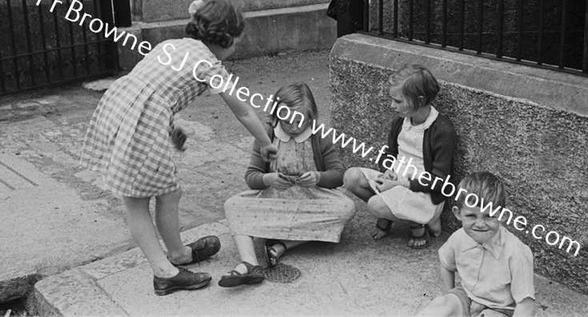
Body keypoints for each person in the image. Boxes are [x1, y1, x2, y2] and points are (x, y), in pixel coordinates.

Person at [80, 0, 277, 296]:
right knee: (135, 200)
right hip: (143, 121)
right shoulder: (210, 65)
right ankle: (165, 273)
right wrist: (265, 142)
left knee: (169, 191)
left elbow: (151, 88)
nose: (235, 50)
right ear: (223, 40)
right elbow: (244, 112)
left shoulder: (173, 45)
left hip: (123, 107)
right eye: (236, 43)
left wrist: (169, 129)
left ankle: (179, 254)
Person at [218, 82, 356, 287]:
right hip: (274, 198)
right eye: (287, 121)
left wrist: (318, 177)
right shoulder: (266, 136)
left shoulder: (320, 135)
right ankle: (248, 262)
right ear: (276, 115)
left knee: (346, 208)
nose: (293, 127)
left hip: (312, 199)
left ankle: (281, 244)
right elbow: (251, 177)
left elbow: (338, 174)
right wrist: (268, 179)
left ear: (311, 117)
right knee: (232, 205)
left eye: (300, 121)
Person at [343, 64, 456, 247]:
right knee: (351, 177)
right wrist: (387, 170)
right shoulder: (400, 122)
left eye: (398, 101)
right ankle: (391, 213)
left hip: (422, 193)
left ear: (419, 100)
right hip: (396, 182)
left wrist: (402, 183)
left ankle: (419, 222)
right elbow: (389, 153)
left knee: (374, 205)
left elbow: (440, 182)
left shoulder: (441, 130)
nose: (392, 106)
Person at [417, 172, 538, 317]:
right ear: (458, 213)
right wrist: (449, 296)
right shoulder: (458, 238)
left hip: (500, 308)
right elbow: (446, 264)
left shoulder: (517, 252)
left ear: (503, 215)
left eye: (489, 216)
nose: (480, 224)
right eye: (471, 216)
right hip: (468, 296)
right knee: (441, 306)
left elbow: (525, 305)